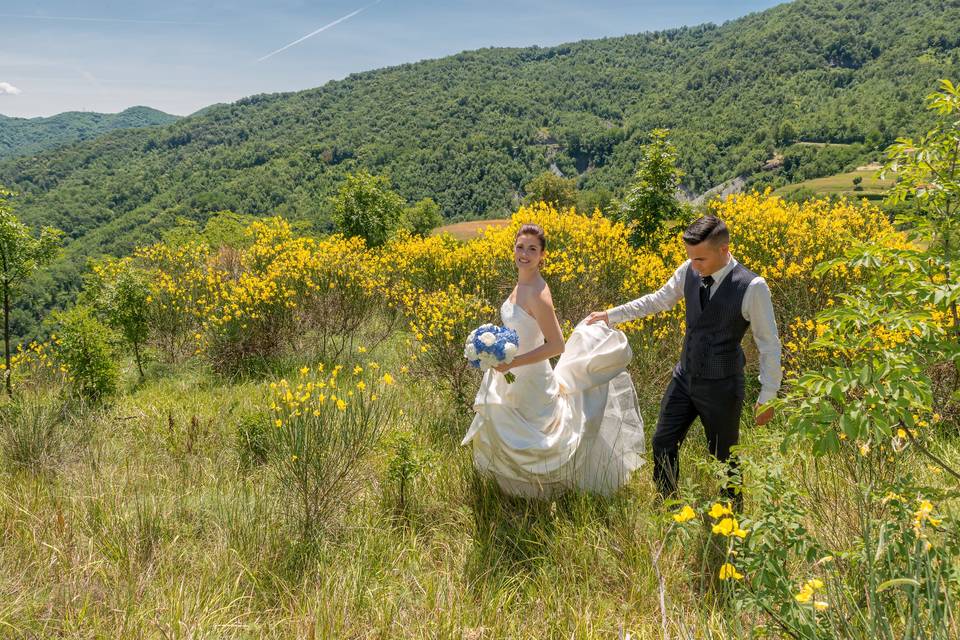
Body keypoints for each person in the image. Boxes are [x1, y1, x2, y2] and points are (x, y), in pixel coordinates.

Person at [586, 215, 781, 506]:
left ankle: (730, 514)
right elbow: (657, 300)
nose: (694, 265)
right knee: (662, 441)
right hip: (685, 378)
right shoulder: (688, 269)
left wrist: (768, 395)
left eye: (700, 259)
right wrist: (611, 315)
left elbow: (769, 345)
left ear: (724, 249)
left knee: (724, 455)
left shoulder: (752, 287)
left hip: (723, 387)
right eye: (690, 258)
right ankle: (668, 504)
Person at [461, 223, 645, 498]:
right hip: (511, 373)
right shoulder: (522, 282)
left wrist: (513, 362)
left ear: (542, 256)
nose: (524, 253)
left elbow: (556, 345)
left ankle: (540, 493)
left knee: (535, 438)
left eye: (532, 249)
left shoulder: (538, 292)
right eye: (520, 246)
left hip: (531, 376)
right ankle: (512, 492)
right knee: (507, 426)